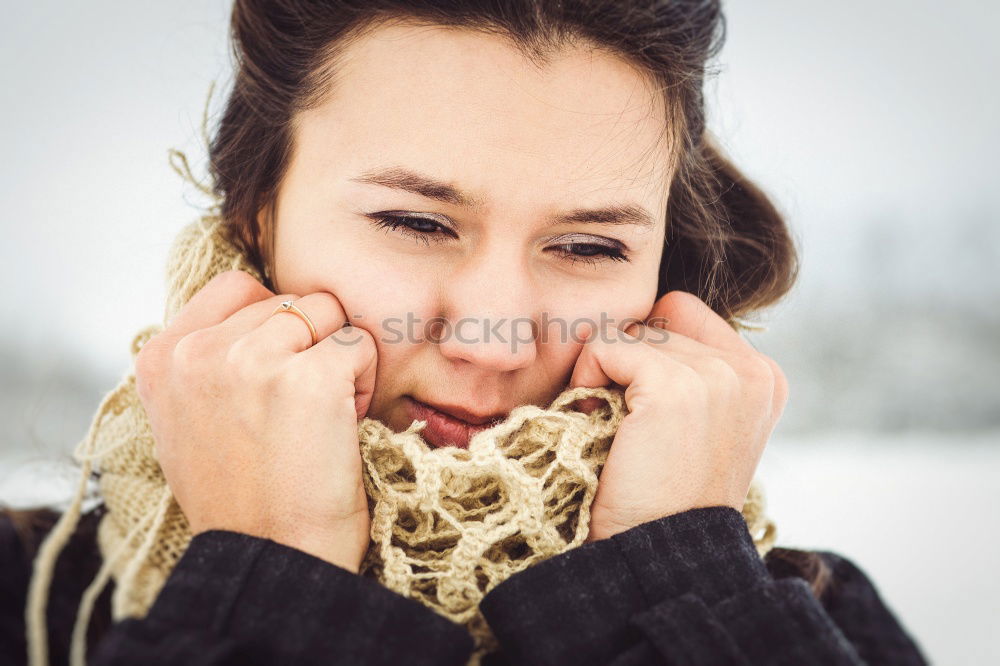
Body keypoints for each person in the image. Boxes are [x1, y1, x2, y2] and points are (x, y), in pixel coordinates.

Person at [1, 1, 929, 664]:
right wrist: (272, 579)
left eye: (587, 244)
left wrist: (677, 592)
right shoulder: (23, 599)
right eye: (414, 223)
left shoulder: (806, 617)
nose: (492, 338)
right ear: (257, 215)